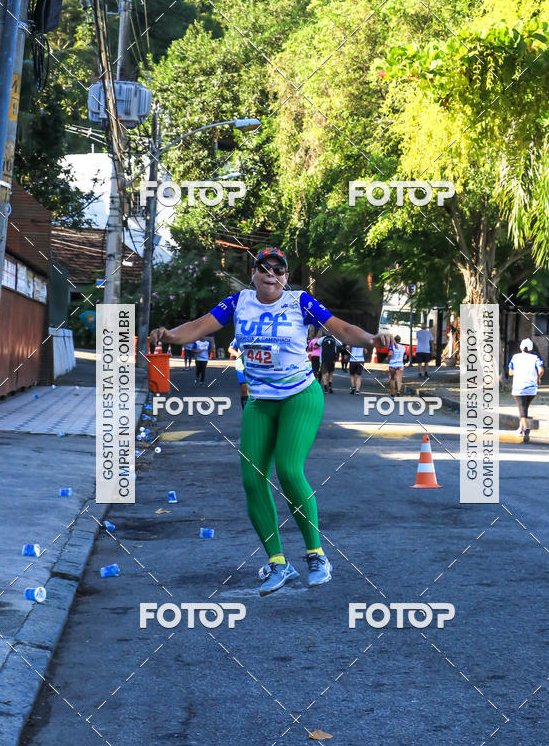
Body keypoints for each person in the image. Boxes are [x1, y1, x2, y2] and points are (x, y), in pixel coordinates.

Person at [150, 247, 395, 596]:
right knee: (252, 479)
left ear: (286, 277)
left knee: (289, 470)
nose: (271, 274)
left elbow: (341, 328)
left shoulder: (300, 302)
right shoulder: (238, 303)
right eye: (264, 268)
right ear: (253, 274)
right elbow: (198, 326)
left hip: (300, 396)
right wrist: (169, 335)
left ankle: (317, 556)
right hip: (261, 402)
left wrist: (371, 339)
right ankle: (279, 564)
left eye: (279, 270)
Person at [508, 338, 544, 443]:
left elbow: (510, 373)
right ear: (531, 348)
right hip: (532, 388)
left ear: (521, 347)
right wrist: (538, 378)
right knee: (524, 408)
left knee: (521, 408)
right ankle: (520, 429)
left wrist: (519, 372)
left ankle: (526, 428)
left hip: (519, 387)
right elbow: (541, 370)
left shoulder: (515, 357)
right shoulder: (535, 358)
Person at [228, 337, 249, 409]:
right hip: (241, 365)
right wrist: (237, 354)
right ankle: (245, 411)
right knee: (244, 388)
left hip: (254, 365)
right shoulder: (240, 335)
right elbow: (230, 349)